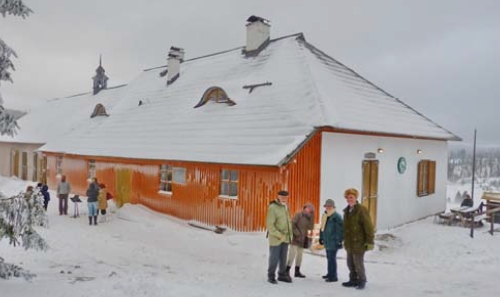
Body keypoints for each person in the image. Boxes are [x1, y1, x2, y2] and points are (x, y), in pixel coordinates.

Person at [342, 188, 374, 290]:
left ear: (356, 197)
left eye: (351, 197)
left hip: (359, 242)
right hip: (349, 242)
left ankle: (362, 280)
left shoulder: (361, 210)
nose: (349, 199)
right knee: (350, 262)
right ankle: (353, 280)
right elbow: (345, 227)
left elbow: (368, 226)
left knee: (358, 263)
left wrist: (370, 241)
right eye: (347, 197)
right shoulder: (347, 210)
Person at [266, 190, 293, 284]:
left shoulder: (286, 206)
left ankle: (282, 275)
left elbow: (288, 222)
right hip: (276, 237)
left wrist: (290, 236)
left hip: (285, 237)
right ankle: (271, 276)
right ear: (278, 196)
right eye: (282, 197)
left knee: (283, 258)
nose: (284, 199)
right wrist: (279, 235)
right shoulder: (273, 207)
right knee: (274, 258)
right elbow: (270, 225)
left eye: (286, 197)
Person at [286, 202, 315, 278]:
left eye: (310, 209)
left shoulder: (309, 217)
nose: (308, 210)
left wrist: (312, 216)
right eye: (307, 208)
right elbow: (292, 225)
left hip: (302, 240)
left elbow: (310, 228)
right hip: (295, 239)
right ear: (304, 208)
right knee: (291, 255)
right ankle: (286, 271)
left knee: (300, 256)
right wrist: (297, 234)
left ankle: (297, 272)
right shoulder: (298, 214)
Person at [319, 199, 343, 282]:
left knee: (332, 258)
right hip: (327, 241)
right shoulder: (325, 216)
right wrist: (321, 237)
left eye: (330, 206)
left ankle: (333, 277)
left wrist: (339, 241)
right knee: (329, 258)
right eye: (327, 206)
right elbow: (322, 228)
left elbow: (340, 230)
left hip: (333, 241)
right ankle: (330, 273)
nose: (328, 207)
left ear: (333, 207)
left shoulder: (336, 217)